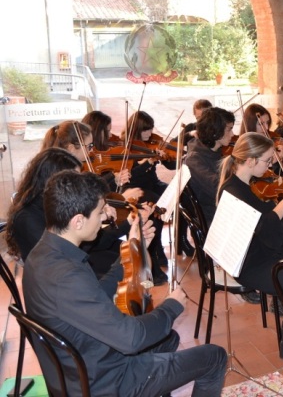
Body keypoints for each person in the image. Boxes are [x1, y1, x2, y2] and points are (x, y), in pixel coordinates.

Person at [22, 170, 227, 396]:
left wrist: (132, 248)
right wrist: (171, 307)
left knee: (168, 338)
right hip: (106, 381)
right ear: (78, 221)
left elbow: (95, 294)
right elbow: (131, 339)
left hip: (82, 364)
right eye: (100, 212)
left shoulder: (43, 254)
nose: (105, 217)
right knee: (214, 357)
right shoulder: (65, 275)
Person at [216, 132, 283, 364]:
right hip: (249, 264)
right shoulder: (233, 191)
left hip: (260, 251)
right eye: (268, 160)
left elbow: (269, 224)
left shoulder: (245, 185)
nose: (271, 165)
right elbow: (263, 225)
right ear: (251, 160)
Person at [5, 147, 126, 278]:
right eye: (75, 180)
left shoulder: (60, 202)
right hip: (58, 273)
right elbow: (66, 253)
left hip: (75, 258)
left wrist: (97, 214)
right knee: (123, 267)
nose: (81, 185)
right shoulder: (27, 218)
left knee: (123, 253)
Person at [122, 111, 172, 285]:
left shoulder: (149, 144)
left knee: (177, 195)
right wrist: (147, 163)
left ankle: (172, 245)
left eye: (151, 129)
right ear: (136, 129)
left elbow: (169, 165)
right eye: (146, 130)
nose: (150, 133)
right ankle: (154, 252)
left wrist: (166, 155)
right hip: (135, 189)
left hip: (152, 185)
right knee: (155, 205)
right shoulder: (125, 147)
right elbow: (131, 177)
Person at [183, 107, 235, 228]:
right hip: (213, 217)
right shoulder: (194, 160)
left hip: (227, 209)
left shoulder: (218, 150)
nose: (233, 134)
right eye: (229, 129)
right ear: (215, 131)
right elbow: (220, 189)